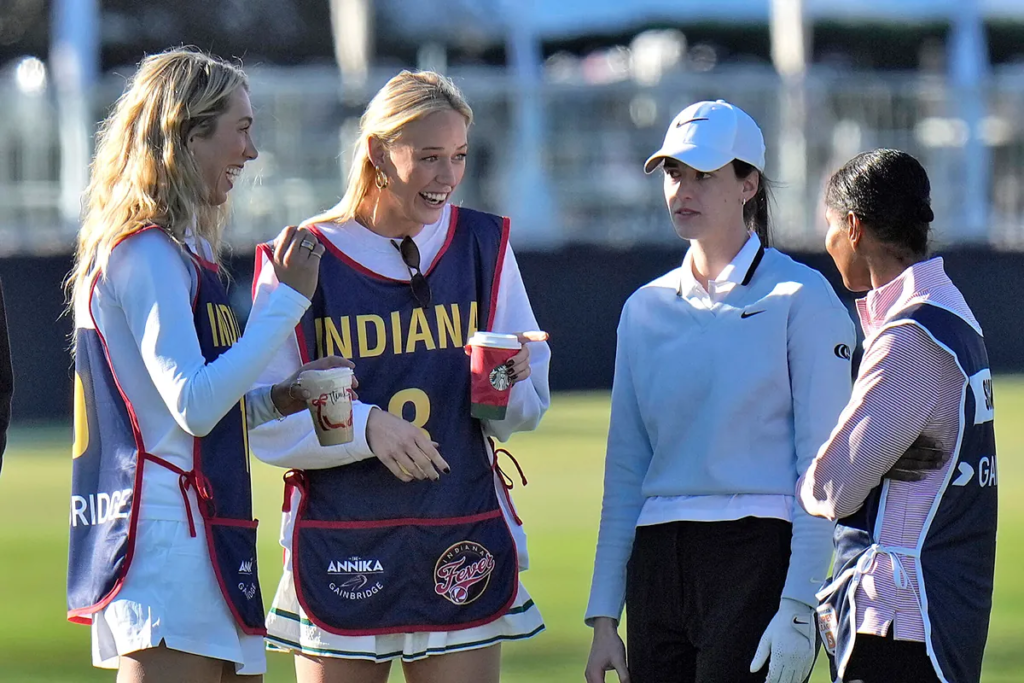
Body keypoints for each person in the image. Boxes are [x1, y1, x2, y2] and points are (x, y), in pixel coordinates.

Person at [247, 70, 550, 683]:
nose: (447, 177)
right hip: (344, 540)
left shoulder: (484, 244)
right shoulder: (302, 255)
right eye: (429, 157)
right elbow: (263, 421)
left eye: (459, 157)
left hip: (459, 525)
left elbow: (524, 412)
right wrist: (365, 426)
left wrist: (509, 384)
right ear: (380, 153)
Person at [65, 48, 348, 682]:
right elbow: (192, 406)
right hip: (165, 539)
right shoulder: (146, 251)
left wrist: (283, 397)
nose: (250, 151)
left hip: (207, 527)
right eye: (240, 129)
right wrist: (285, 305)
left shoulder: (182, 252)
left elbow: (201, 409)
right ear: (188, 133)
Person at [583, 100, 857, 683]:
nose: (683, 189)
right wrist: (606, 615)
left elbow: (822, 464)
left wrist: (801, 602)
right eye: (674, 174)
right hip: (657, 565)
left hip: (756, 555)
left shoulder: (803, 298)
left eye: (704, 175)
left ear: (747, 184)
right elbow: (626, 468)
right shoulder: (643, 309)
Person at [798, 149, 998, 683]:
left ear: (855, 227)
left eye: (830, 226)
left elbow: (837, 486)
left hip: (899, 619)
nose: (827, 243)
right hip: (942, 612)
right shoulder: (953, 311)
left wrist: (808, 481)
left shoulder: (910, 337)